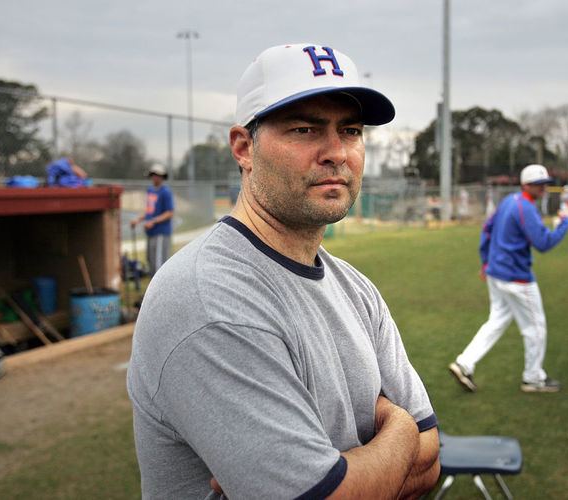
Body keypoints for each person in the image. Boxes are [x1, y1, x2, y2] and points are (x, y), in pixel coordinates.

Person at [127, 43, 440, 499]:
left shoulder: (357, 289)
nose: (336, 152)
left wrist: (359, 467)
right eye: (304, 129)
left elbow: (430, 464)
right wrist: (402, 427)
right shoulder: (208, 297)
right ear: (243, 147)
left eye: (350, 130)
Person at [449, 164, 568, 394]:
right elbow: (544, 243)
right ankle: (533, 378)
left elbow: (487, 229)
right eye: (538, 184)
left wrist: (486, 262)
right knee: (535, 328)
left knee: (496, 321)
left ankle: (464, 363)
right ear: (526, 185)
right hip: (517, 278)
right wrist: (565, 224)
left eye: (544, 184)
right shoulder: (525, 207)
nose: (543, 188)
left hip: (497, 273)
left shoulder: (509, 201)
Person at [130, 164, 174, 277]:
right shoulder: (150, 191)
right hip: (151, 232)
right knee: (151, 260)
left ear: (162, 177)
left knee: (159, 263)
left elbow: (169, 213)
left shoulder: (165, 192)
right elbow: (150, 211)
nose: (155, 178)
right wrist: (138, 219)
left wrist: (153, 222)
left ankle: (162, 290)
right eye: (153, 175)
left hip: (161, 232)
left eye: (157, 175)